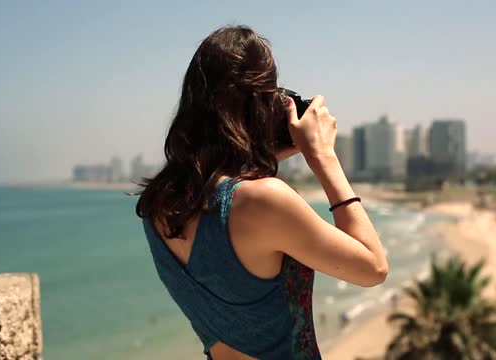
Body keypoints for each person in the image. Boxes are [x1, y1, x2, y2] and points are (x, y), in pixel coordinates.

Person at [135, 26, 388, 360]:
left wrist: (256, 156)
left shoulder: (157, 206)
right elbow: (373, 268)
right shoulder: (264, 201)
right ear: (259, 105)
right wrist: (322, 156)